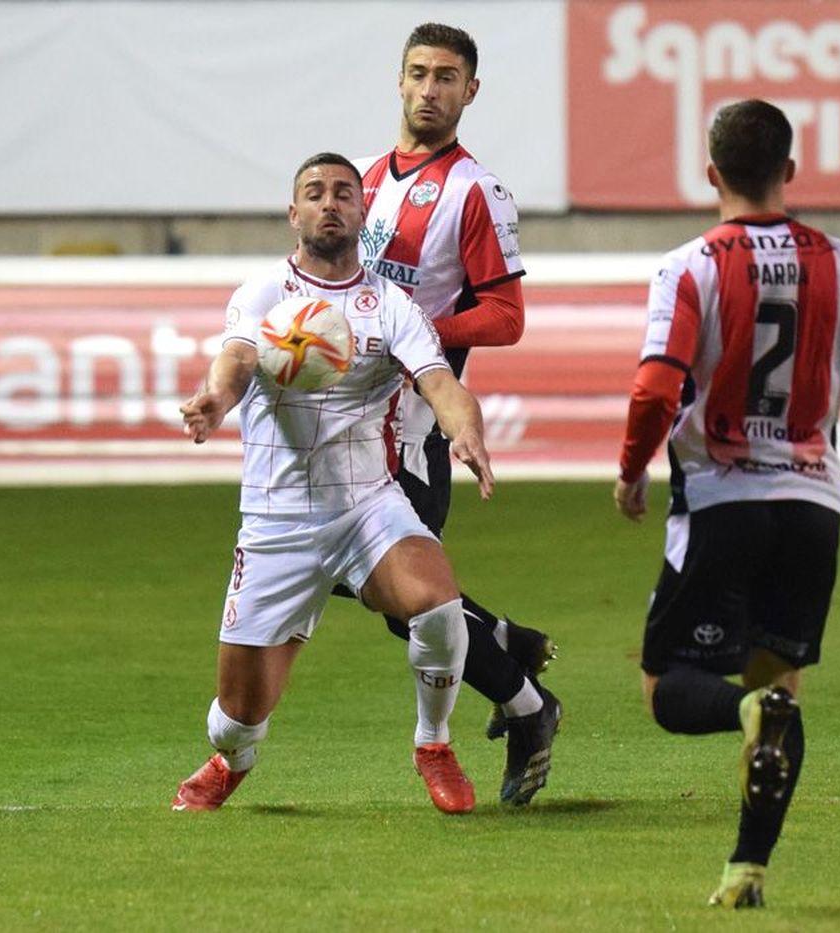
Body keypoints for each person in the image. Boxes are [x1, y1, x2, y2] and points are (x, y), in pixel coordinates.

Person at [614, 100, 840, 907]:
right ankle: (745, 870)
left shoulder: (688, 266)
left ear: (711, 172)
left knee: (669, 688)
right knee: (783, 691)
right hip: (813, 505)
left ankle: (746, 712)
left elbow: (657, 384)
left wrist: (631, 469)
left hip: (724, 497)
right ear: (789, 172)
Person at [173, 153, 496, 815]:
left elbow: (442, 384)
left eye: (344, 193)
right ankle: (233, 757)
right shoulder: (266, 293)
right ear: (295, 214)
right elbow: (235, 358)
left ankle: (433, 742)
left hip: (366, 505)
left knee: (438, 604)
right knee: (235, 716)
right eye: (314, 193)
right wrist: (215, 399)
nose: (330, 203)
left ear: (360, 213)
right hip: (277, 520)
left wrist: (464, 428)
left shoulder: (393, 306)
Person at [353, 21, 561, 807]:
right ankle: (508, 652)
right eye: (418, 73)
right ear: (398, 81)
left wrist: (417, 330)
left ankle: (525, 701)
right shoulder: (367, 179)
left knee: (405, 600)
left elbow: (506, 316)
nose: (429, 89)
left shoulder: (476, 190)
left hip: (412, 430)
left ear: (469, 92)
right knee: (388, 594)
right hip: (352, 425)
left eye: (447, 77)